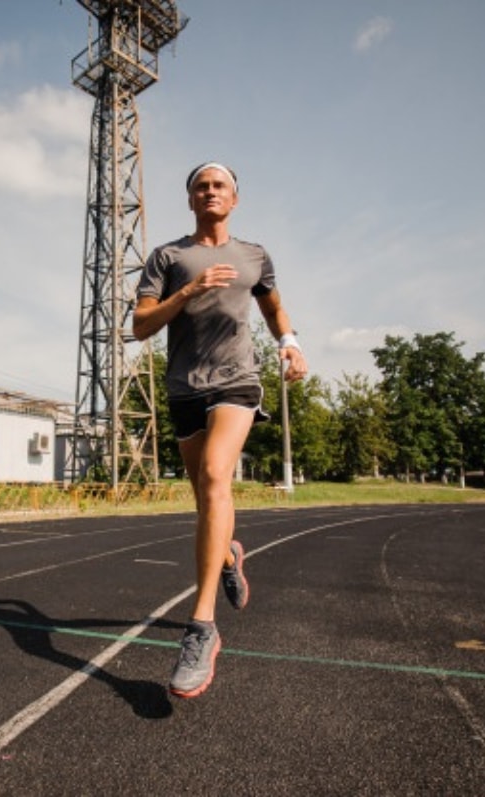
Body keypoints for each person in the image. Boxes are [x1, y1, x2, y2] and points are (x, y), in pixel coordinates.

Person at [133, 161, 307, 698]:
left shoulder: (255, 256)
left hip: (237, 381)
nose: (210, 192)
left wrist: (290, 343)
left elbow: (273, 308)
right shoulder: (168, 257)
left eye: (219, 186)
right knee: (206, 501)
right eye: (201, 187)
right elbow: (140, 326)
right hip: (184, 387)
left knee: (215, 477)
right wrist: (188, 291)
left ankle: (201, 627)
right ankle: (229, 552)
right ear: (190, 200)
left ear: (234, 198)